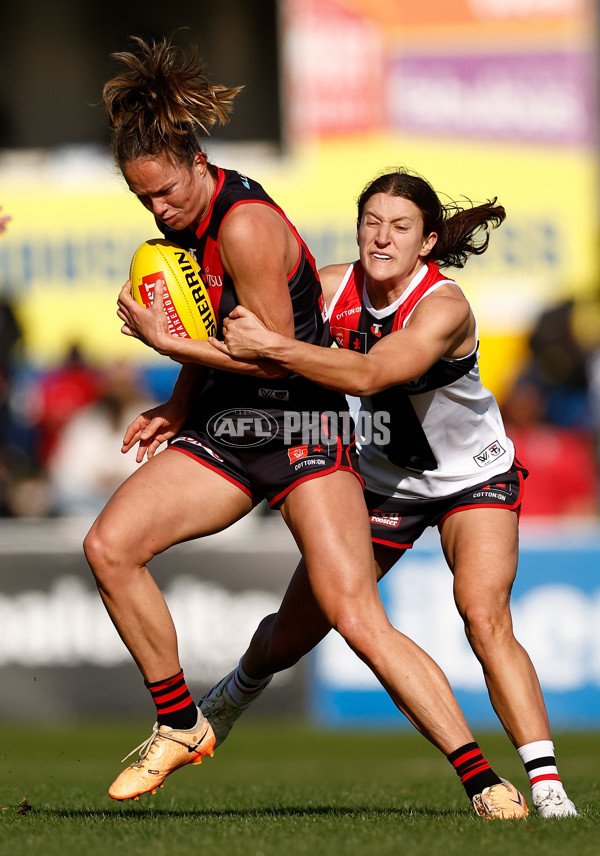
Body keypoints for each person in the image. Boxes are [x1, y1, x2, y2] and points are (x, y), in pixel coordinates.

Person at [83, 37, 525, 817]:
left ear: (194, 160)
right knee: (109, 547)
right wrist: (180, 403)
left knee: (354, 616)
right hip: (229, 427)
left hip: (300, 428)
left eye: (165, 193)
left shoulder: (245, 224)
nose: (158, 210)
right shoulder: (185, 227)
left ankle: (483, 781)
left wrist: (165, 345)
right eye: (142, 199)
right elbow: (228, 333)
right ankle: (181, 722)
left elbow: (275, 359)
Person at [207, 168, 579, 819]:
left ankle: (547, 791)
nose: (381, 236)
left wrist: (277, 345)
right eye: (371, 222)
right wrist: (174, 329)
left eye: (399, 227)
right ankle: (233, 694)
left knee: (483, 613)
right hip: (380, 483)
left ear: (427, 241)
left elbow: (375, 370)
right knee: (292, 635)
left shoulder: (443, 306)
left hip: (473, 476)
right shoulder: (326, 288)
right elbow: (245, 338)